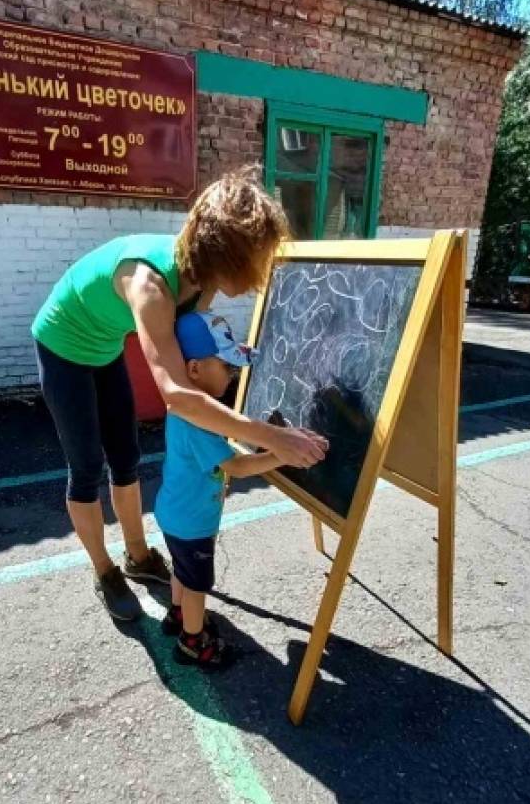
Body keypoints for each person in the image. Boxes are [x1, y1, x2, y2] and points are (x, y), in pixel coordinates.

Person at [31, 166, 328, 622]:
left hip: (105, 345)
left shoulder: (200, 284)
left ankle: (137, 554)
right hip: (63, 345)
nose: (258, 276)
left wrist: (229, 356)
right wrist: (270, 438)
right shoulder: (150, 286)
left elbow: (193, 353)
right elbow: (175, 391)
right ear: (224, 255)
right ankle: (105, 571)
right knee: (87, 466)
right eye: (254, 259)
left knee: (126, 457)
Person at [155, 311, 284, 669]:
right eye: (226, 366)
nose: (232, 374)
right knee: (197, 584)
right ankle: (193, 641)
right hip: (192, 522)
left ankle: (178, 614)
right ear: (193, 369)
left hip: (174, 512)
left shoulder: (183, 407)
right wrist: (280, 454)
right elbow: (238, 467)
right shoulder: (199, 422)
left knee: (182, 570)